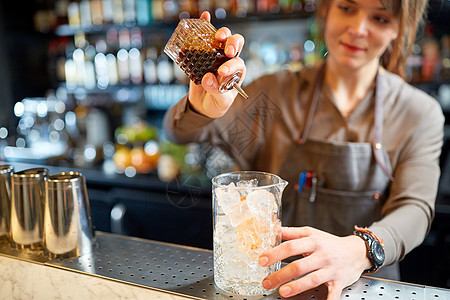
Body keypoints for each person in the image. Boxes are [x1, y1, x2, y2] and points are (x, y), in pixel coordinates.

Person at [163, 0, 445, 299]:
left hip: (366, 288)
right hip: (269, 285)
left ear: (398, 29)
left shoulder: (417, 112)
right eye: (347, 9)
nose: (358, 29)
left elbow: (415, 209)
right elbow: (179, 131)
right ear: (326, 11)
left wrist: (360, 250)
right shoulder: (273, 94)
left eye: (380, 18)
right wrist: (204, 106)